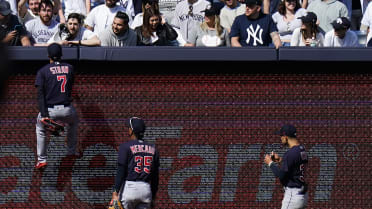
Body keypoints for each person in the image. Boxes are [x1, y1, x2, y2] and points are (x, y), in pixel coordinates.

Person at [34, 43, 79, 169]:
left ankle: (42, 159)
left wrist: (44, 115)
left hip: (50, 110)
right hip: (67, 109)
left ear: (48, 55)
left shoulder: (42, 71)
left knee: (40, 128)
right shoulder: (70, 68)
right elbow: (69, 87)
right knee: (74, 123)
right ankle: (71, 152)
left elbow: (40, 95)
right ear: (61, 55)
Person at [110, 117, 160, 209]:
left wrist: (115, 192)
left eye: (129, 127)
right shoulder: (153, 149)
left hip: (129, 188)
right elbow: (155, 176)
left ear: (131, 130)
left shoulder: (125, 147)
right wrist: (153, 196)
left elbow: (121, 170)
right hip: (146, 189)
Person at [264, 124, 309, 209]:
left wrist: (270, 163)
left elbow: (281, 175)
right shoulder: (302, 149)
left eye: (281, 136)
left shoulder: (290, 154)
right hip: (302, 194)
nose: (280, 138)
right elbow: (294, 166)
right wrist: (280, 160)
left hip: (293, 195)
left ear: (285, 137)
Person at [69, 11, 137, 46]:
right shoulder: (104, 34)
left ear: (126, 26)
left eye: (119, 25)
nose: (115, 27)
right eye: (114, 23)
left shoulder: (133, 35)